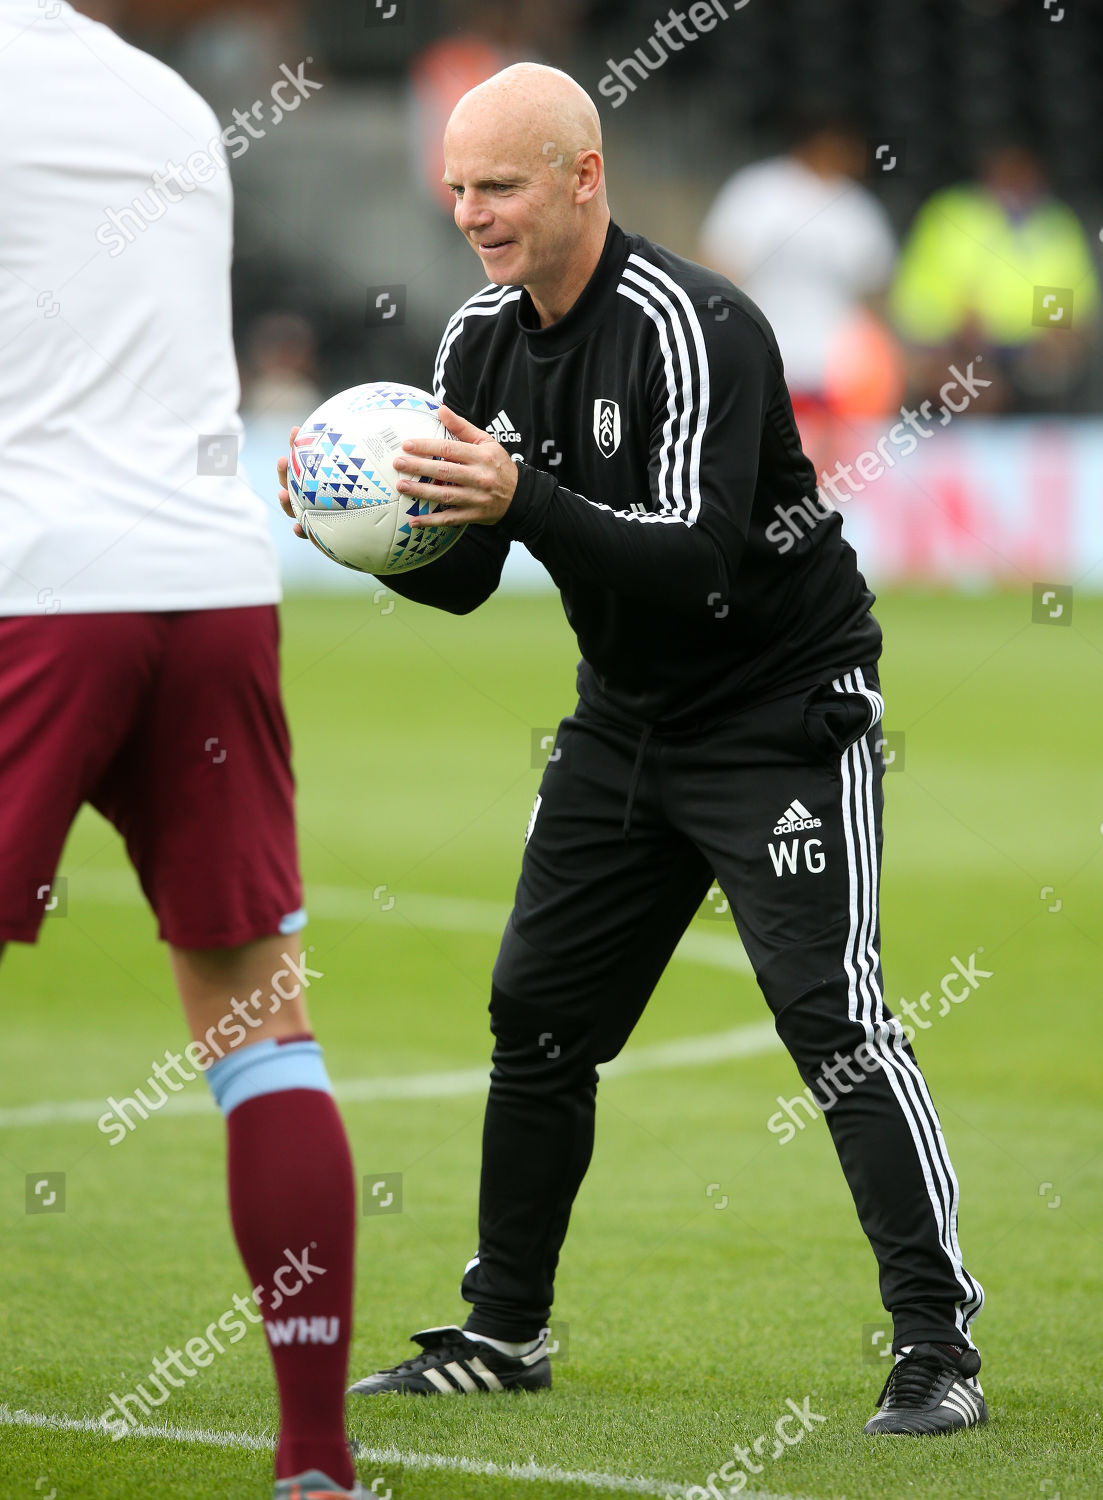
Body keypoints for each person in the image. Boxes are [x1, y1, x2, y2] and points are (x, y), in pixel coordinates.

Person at [279, 63, 987, 1436]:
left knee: (829, 1020)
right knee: (533, 1015)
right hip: (623, 720)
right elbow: (472, 580)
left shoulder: (693, 322)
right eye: (456, 190)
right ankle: (503, 1332)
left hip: (780, 709)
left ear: (581, 177)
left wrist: (520, 491)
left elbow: (699, 563)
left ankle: (932, 1346)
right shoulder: (477, 342)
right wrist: (362, 539)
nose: (471, 214)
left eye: (498, 186)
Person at [0, 3, 360, 1496]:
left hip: (34, 580)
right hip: (211, 578)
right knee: (257, 1023)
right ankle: (314, 1457)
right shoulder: (156, 95)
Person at [698, 104, 902, 441]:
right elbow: (715, 270)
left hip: (836, 370)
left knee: (827, 477)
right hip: (765, 358)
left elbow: (876, 291)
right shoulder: (759, 191)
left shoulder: (858, 208)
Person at [890, 137, 1099, 414]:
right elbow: (914, 301)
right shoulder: (949, 214)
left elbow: (1074, 306)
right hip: (955, 350)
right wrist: (953, 324)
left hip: (1029, 355)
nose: (1017, 180)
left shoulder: (1056, 224)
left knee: (1048, 371)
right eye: (1008, 170)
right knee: (967, 383)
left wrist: (1054, 336)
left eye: (1024, 171)